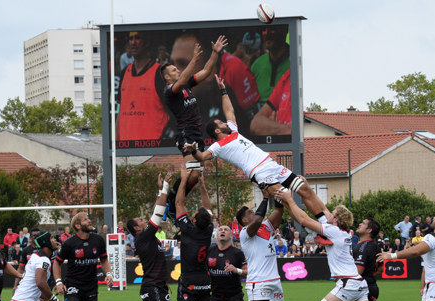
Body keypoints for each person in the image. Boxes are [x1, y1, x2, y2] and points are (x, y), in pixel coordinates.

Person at [276, 188, 399, 301]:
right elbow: (319, 208)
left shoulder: (333, 231)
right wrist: (296, 197)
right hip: (359, 284)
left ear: (336, 220)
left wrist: (289, 200)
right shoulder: (343, 233)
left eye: (332, 214)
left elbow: (302, 220)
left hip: (348, 284)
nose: (328, 214)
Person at [185, 75, 329, 224]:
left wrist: (223, 90)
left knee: (304, 188)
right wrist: (193, 151)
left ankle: (325, 224)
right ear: (217, 131)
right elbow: (202, 157)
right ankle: (315, 228)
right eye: (221, 123)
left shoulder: (233, 130)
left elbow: (230, 111)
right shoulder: (218, 147)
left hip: (271, 164)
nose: (225, 123)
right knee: (287, 199)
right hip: (259, 172)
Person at [159, 35, 228, 222]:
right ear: (167, 77)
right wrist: (194, 59)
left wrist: (214, 53)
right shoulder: (170, 90)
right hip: (185, 133)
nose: (177, 69)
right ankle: (169, 204)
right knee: (191, 172)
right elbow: (181, 81)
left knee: (196, 175)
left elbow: (206, 71)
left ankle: (171, 204)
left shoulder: (187, 83)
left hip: (196, 134)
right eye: (174, 69)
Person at [228, 190, 285, 301]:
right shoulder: (246, 232)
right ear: (244, 220)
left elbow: (279, 210)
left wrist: (276, 191)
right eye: (249, 213)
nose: (254, 213)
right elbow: (259, 219)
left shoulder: (267, 226)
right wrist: (265, 197)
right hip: (258, 282)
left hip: (274, 281)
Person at [126, 173, 174, 301]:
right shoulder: (145, 236)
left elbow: (156, 209)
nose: (144, 219)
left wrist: (160, 189)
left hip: (153, 285)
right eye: (140, 219)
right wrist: (166, 188)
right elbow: (159, 211)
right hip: (153, 286)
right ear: (137, 228)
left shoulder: (144, 237)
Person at [175, 166, 220, 301]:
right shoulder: (208, 229)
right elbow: (207, 209)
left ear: (193, 220)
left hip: (189, 280)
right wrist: (202, 187)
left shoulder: (188, 229)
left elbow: (178, 202)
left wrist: (184, 179)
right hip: (205, 279)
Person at [116, 31, 170, 142]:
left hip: (153, 149)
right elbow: (120, 113)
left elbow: (172, 112)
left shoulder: (159, 73)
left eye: (137, 38)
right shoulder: (125, 72)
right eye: (131, 39)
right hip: (127, 148)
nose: (133, 42)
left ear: (147, 43)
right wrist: (115, 144)